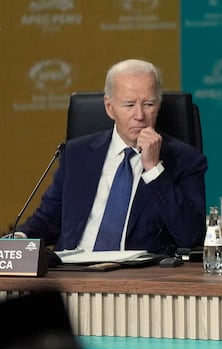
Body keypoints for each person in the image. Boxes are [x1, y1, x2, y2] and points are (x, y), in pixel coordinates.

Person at [16, 59, 208, 254]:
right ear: (109, 107)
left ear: (158, 105)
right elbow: (48, 220)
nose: (139, 115)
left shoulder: (186, 160)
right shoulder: (77, 154)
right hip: (72, 273)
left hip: (139, 278)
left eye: (149, 104)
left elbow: (190, 236)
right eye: (129, 105)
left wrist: (154, 169)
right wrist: (18, 239)